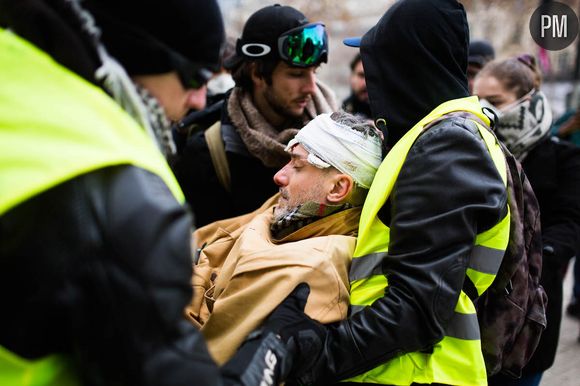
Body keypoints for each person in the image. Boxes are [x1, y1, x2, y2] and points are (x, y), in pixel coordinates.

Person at [0, 0, 296, 385]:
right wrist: (270, 354)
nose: (198, 99)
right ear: (136, 54)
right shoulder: (116, 190)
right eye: (193, 77)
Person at [271, 1, 512, 385]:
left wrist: (313, 355)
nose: (371, 83)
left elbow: (417, 307)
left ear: (403, 67)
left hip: (418, 372)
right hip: (402, 368)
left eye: (376, 65)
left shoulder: (446, 143)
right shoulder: (440, 135)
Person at [186, 111, 382, 365]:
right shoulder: (296, 214)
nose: (279, 176)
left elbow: (206, 356)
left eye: (297, 166)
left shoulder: (311, 267)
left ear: (337, 189)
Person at [172, 4, 337, 228]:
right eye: (296, 74)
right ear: (257, 73)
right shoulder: (208, 153)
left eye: (314, 72)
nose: (311, 87)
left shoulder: (336, 140)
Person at [474, 54, 580, 386]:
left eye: (494, 101)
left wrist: (535, 260)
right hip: (474, 315)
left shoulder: (565, 159)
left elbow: (570, 224)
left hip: (532, 310)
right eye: (477, 100)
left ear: (526, 100)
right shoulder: (473, 149)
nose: (483, 109)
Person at [342, 53, 371, 120]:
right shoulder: (343, 110)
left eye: (372, 78)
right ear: (351, 77)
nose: (366, 83)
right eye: (361, 75)